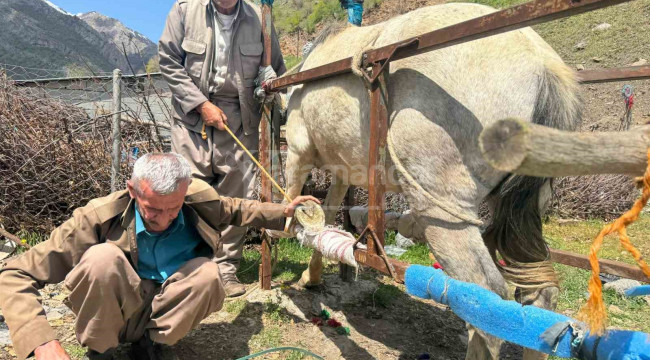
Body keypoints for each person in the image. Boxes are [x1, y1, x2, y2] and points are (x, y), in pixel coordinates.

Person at [0, 153, 317, 360]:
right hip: (114, 313)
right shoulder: (95, 218)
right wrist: (41, 342)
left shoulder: (198, 199)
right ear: (133, 190)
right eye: (152, 210)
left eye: (173, 209)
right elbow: (13, 276)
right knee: (102, 261)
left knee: (209, 274)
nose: (164, 219)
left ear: (185, 192)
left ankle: (154, 346)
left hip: (162, 309)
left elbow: (236, 209)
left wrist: (284, 213)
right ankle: (102, 350)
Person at [159, 0, 286, 297]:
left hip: (240, 119)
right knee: (188, 194)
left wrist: (270, 80)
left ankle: (226, 271)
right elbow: (168, 61)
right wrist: (201, 105)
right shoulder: (184, 10)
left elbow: (276, 67)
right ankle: (191, 268)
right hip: (191, 117)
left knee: (236, 196)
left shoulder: (260, 17)